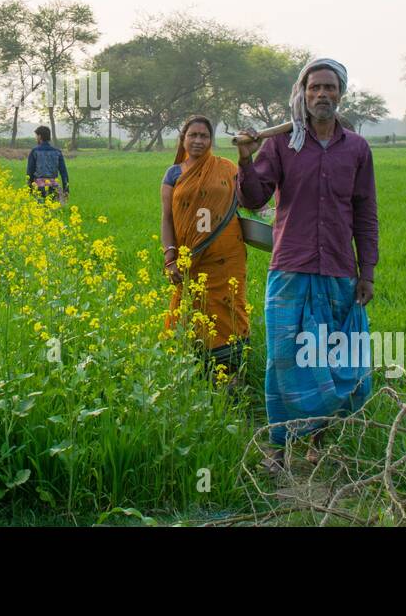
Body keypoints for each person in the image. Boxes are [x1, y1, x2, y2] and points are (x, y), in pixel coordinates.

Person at [234, 57, 379, 473]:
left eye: (329, 88)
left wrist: (366, 270)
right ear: (302, 93)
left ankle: (319, 442)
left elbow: (365, 212)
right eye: (314, 87)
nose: (321, 94)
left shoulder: (356, 148)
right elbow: (254, 199)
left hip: (337, 270)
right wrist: (246, 160)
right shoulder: (281, 144)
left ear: (340, 94)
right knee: (284, 359)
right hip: (290, 270)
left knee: (331, 360)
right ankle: (277, 450)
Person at [161, 114, 250, 387]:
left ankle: (232, 372)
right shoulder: (174, 173)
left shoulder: (226, 168)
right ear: (183, 139)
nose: (198, 140)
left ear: (211, 141)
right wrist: (170, 257)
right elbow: (167, 218)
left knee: (228, 305)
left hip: (227, 255)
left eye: (204, 136)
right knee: (193, 306)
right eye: (193, 135)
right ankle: (194, 370)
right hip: (191, 257)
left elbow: (249, 200)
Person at [26, 126, 69, 203]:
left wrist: (29, 189)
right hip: (53, 187)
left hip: (39, 188)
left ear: (39, 136)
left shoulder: (34, 151)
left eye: (36, 136)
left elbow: (30, 172)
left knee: (39, 212)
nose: (36, 138)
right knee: (53, 212)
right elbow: (63, 172)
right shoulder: (57, 152)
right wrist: (66, 189)